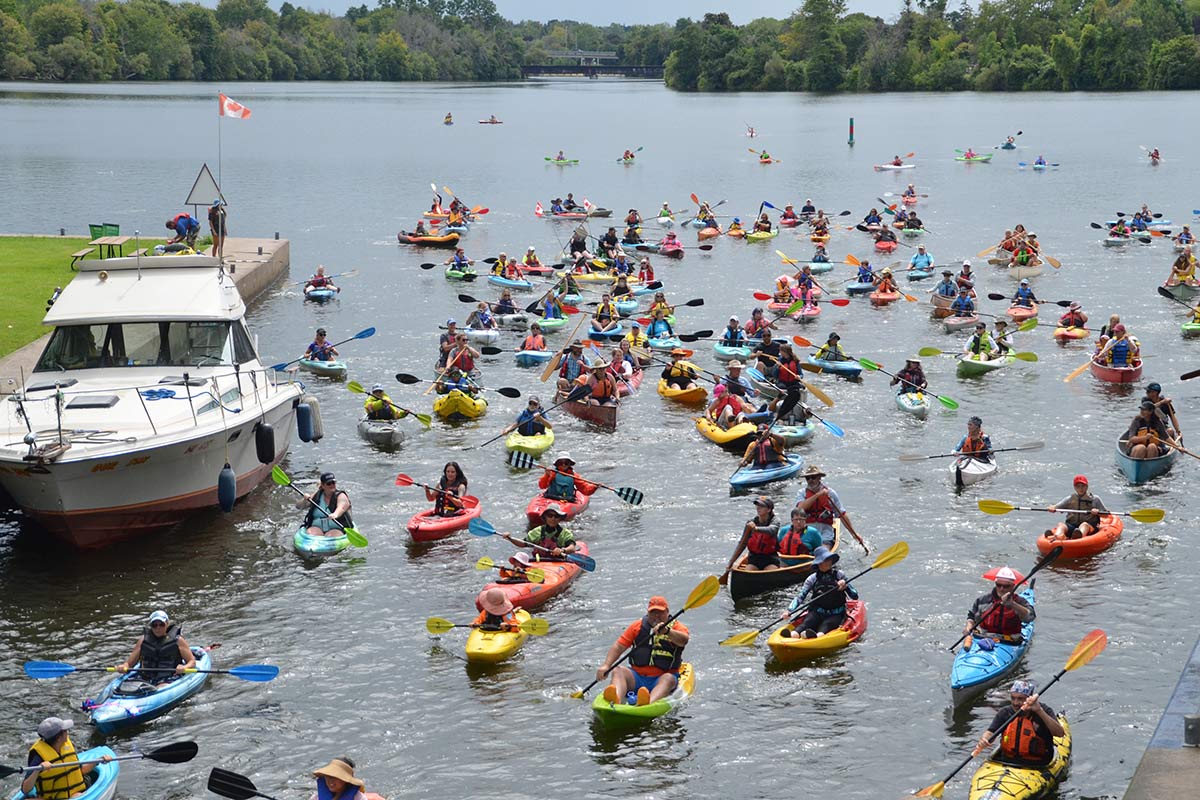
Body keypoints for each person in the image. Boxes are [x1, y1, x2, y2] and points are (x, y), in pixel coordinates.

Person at [597, 595, 690, 707]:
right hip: (637, 677)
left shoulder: (677, 627)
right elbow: (619, 646)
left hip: (661, 678)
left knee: (668, 678)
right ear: (648, 613)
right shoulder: (637, 627)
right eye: (653, 612)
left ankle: (646, 704)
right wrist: (606, 665)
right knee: (617, 670)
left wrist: (667, 632)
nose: (656, 616)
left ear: (667, 612)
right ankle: (615, 700)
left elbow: (683, 640)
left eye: (660, 612)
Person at [971, 680, 1066, 766]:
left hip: (1038, 764)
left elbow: (1059, 733)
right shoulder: (1005, 712)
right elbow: (991, 732)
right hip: (1007, 761)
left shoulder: (1044, 710)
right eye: (1013, 698)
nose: (1015, 703)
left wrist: (1039, 711)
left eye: (1020, 699)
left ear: (1029, 698)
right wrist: (984, 739)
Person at [21, 717, 113, 799]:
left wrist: (98, 761)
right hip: (52, 797)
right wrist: (37, 770)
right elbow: (25, 789)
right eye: (65, 731)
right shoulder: (38, 756)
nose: (67, 732)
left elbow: (80, 771)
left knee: (77, 796)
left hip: (75, 795)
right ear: (58, 738)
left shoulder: (66, 746)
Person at [779, 546, 859, 639]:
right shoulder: (812, 579)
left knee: (826, 625)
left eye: (829, 559)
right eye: (824, 560)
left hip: (836, 613)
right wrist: (789, 610)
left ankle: (816, 637)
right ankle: (793, 635)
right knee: (807, 622)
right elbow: (800, 596)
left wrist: (846, 586)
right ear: (819, 564)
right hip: (817, 611)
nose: (828, 562)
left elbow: (855, 596)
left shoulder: (839, 575)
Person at [112, 608, 196, 686]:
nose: (158, 628)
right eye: (154, 625)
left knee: (160, 687)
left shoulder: (178, 641)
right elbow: (129, 664)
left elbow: (192, 662)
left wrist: (184, 667)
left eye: (161, 624)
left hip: (169, 678)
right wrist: (124, 667)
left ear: (167, 624)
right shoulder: (143, 640)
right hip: (146, 678)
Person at [961, 566, 1034, 650]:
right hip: (984, 638)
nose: (1001, 589)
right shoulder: (983, 600)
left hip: (1010, 641)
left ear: (1013, 586)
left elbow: (1030, 617)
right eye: (999, 585)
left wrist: (1013, 604)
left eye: (1006, 586)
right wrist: (968, 626)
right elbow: (971, 616)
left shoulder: (1020, 602)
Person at [795, 465, 861, 546]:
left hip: (825, 531)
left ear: (819, 477)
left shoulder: (831, 493)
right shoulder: (802, 493)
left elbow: (842, 514)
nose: (810, 480)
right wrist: (818, 495)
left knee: (823, 549)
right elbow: (800, 508)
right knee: (803, 546)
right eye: (808, 478)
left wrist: (854, 534)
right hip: (807, 530)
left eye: (813, 477)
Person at [721, 496, 782, 580]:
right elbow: (742, 543)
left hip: (770, 559)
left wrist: (756, 529)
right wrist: (731, 562)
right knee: (747, 575)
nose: (758, 508)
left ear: (769, 509)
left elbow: (772, 530)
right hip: (754, 558)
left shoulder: (775, 521)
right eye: (757, 505)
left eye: (762, 506)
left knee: (769, 576)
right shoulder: (751, 523)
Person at [1045, 474, 1108, 541]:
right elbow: (1056, 507)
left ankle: (1078, 538)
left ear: (1087, 486)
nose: (1081, 488)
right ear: (1074, 487)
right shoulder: (1070, 499)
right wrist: (1052, 508)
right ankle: (1057, 537)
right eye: (1078, 486)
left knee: (1084, 525)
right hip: (1072, 525)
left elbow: (1106, 514)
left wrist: (1097, 512)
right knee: (1061, 525)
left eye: (1083, 486)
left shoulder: (1095, 499)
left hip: (1090, 526)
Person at [508, 505, 578, 559]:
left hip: (558, 562)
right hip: (540, 561)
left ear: (560, 518)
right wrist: (510, 538)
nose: (553, 518)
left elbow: (572, 548)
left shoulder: (565, 533)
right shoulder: (537, 531)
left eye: (556, 516)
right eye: (550, 515)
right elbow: (523, 544)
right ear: (545, 517)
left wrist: (562, 550)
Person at [298, 472, 352, 536]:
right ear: (323, 486)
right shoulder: (317, 495)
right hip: (317, 527)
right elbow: (299, 506)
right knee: (310, 533)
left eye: (333, 482)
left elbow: (342, 507)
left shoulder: (341, 495)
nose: (332, 485)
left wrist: (335, 514)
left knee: (330, 536)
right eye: (329, 483)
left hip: (336, 528)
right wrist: (305, 500)